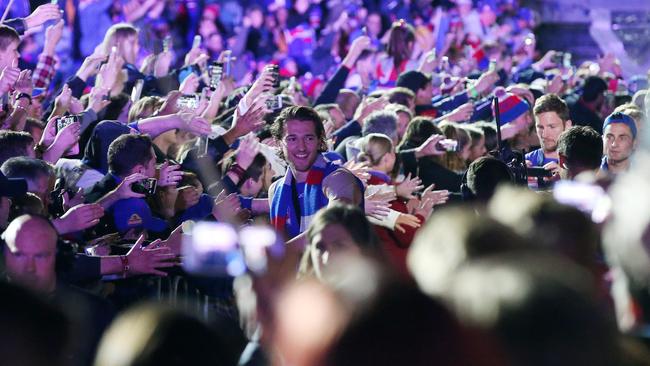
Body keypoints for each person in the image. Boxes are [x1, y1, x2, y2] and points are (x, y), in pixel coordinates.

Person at [269, 106, 364, 241]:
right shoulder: (276, 190)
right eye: (292, 139)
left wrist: (284, 253)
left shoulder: (338, 178)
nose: (301, 147)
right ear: (278, 143)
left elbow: (334, 225)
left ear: (320, 140)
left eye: (308, 138)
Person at [525, 94, 573, 179]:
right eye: (540, 127)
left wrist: (565, 178)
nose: (544, 135)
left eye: (552, 127)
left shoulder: (580, 163)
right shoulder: (527, 162)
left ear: (567, 126)